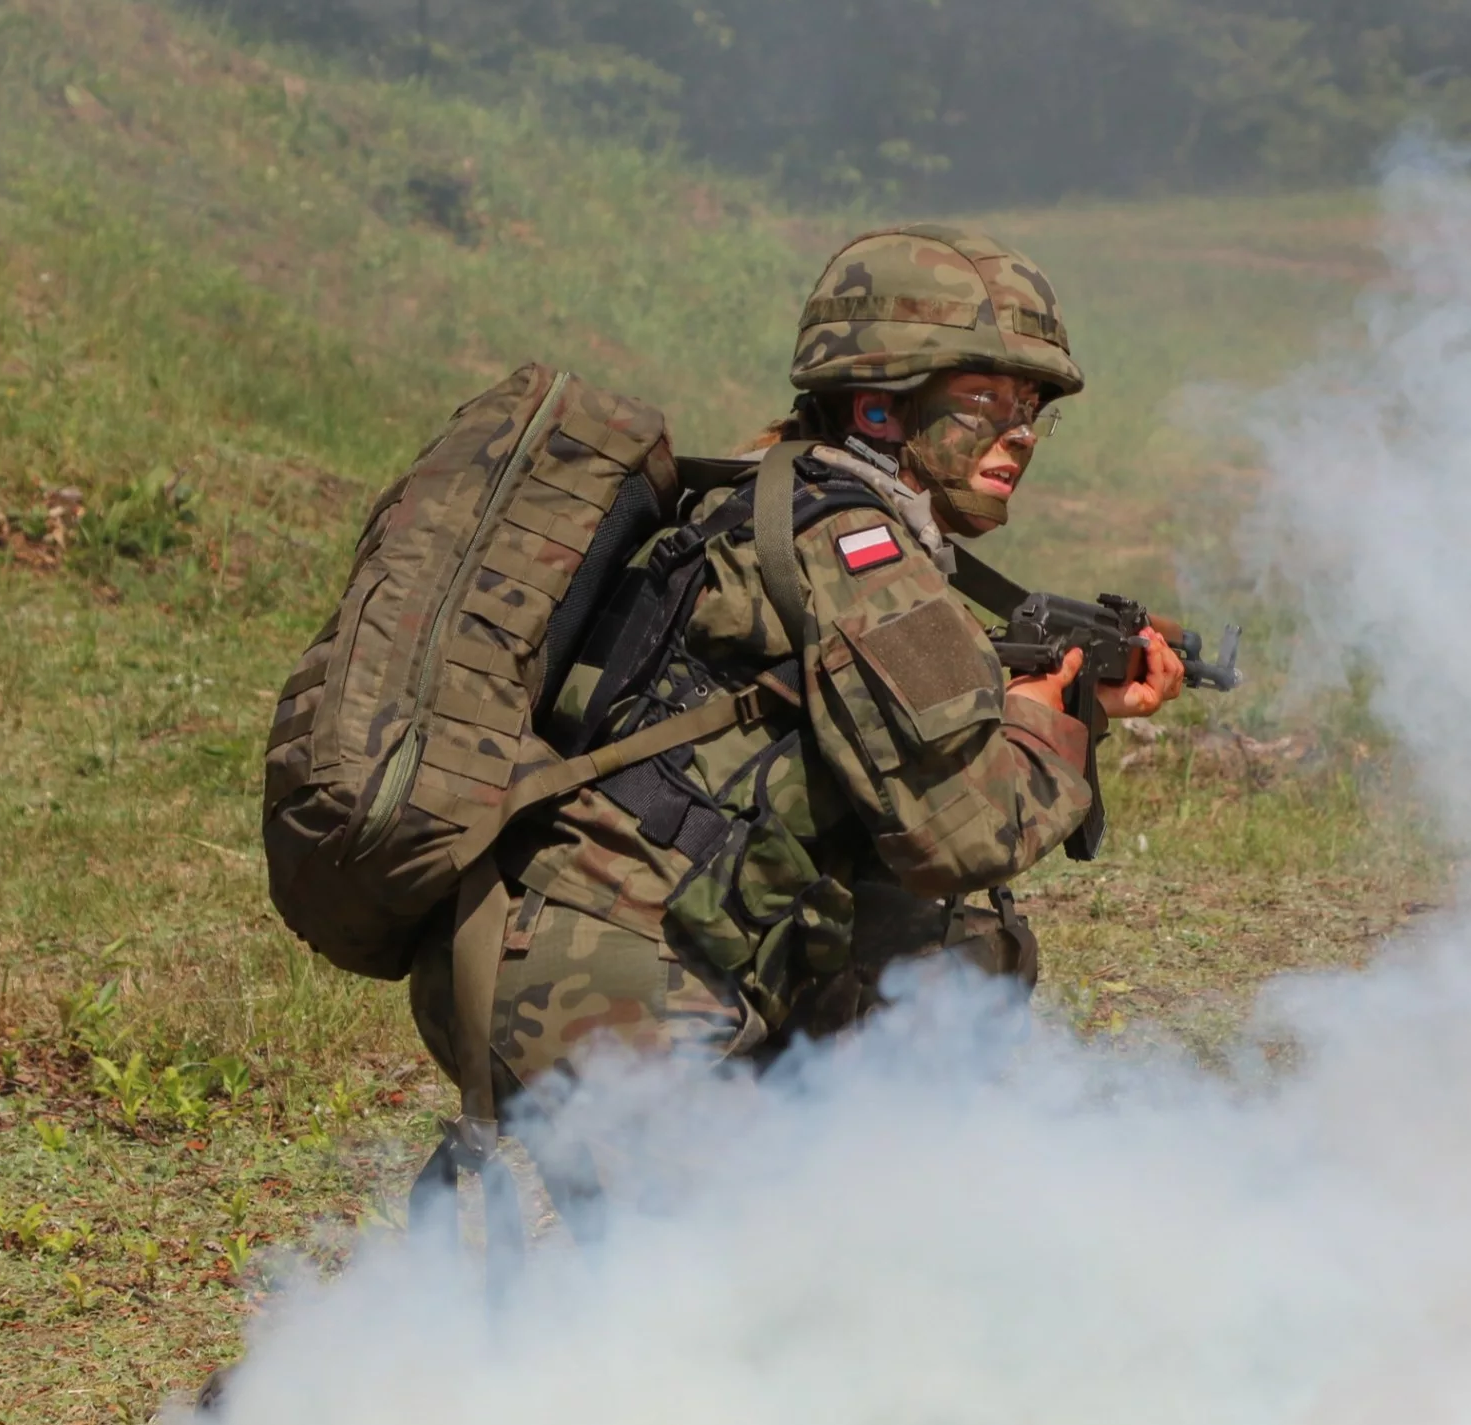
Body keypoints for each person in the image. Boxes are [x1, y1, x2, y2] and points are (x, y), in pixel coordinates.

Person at [406, 223, 1183, 1140]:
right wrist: (1043, 721)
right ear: (878, 408)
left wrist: (1076, 702)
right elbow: (965, 836)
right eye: (984, 399)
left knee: (960, 954)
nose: (1018, 434)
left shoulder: (778, 497)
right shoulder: (860, 549)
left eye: (1031, 406)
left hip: (520, 953)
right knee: (799, 1223)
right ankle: (530, 1193)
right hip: (599, 1007)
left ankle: (585, 1173)